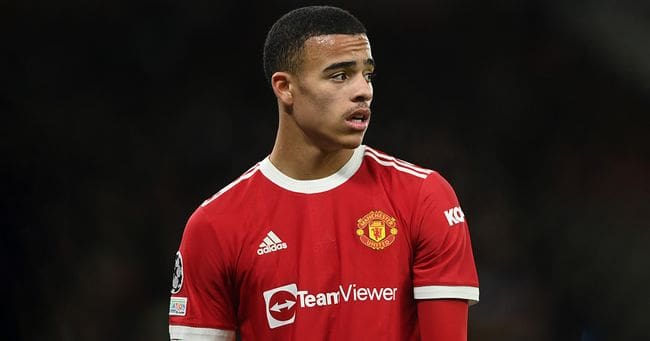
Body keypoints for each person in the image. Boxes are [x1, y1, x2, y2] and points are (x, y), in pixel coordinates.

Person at [169, 5, 479, 341]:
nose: (364, 90)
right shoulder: (215, 225)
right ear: (285, 87)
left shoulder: (424, 197)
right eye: (340, 75)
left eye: (368, 74)